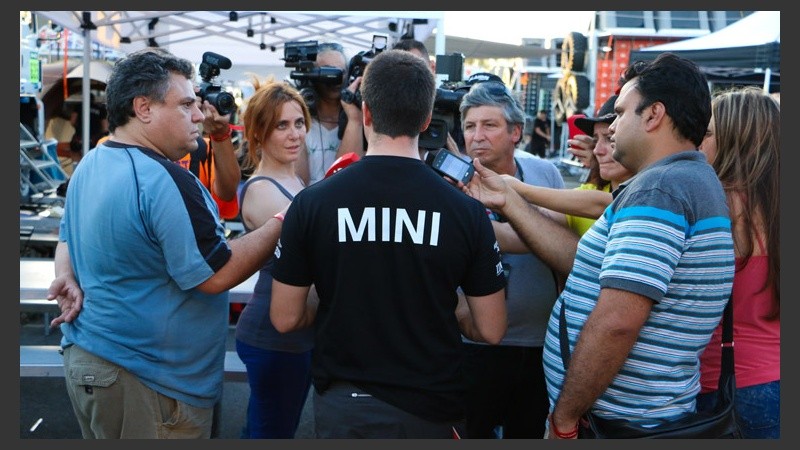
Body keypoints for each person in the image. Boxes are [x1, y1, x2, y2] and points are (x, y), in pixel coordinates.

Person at [464, 52, 735, 438]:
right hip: (633, 417)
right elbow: (581, 263)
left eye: (621, 113)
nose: (611, 129)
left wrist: (564, 418)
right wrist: (508, 200)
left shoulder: (661, 189)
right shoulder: (680, 180)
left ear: (654, 115)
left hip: (619, 424)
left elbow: (617, 323)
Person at [46, 47, 285, 439]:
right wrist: (283, 221)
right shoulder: (163, 179)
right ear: (143, 108)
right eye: (187, 104)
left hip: (95, 362)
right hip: (148, 379)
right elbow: (215, 274)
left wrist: (65, 274)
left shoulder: (92, 160)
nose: (198, 115)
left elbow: (66, 237)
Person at [269, 49, 508, 439]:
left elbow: (285, 318)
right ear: (428, 118)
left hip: (345, 406)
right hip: (431, 407)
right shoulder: (464, 212)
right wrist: (443, 296)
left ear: (366, 114)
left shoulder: (313, 203)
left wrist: (337, 284)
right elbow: (492, 328)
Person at [457, 79, 565, 439]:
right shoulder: (450, 181)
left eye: (490, 125)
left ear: (516, 131)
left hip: (535, 343)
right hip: (473, 344)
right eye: (470, 126)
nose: (477, 136)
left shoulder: (544, 174)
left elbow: (558, 241)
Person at [696, 86, 780, 439]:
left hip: (723, 385)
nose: (700, 142)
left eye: (710, 133)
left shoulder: (711, 204)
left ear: (734, 140)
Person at [233, 78, 315, 438]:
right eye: (281, 125)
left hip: (296, 335)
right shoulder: (261, 190)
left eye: (299, 123)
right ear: (258, 133)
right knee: (269, 432)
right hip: (273, 337)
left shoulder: (297, 182)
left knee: (274, 428)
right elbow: (313, 241)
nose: (294, 134)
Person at [503, 95, 633, 237]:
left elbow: (609, 204)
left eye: (610, 138)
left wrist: (517, 189)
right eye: (595, 141)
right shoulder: (585, 194)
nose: (597, 150)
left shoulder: (649, 193)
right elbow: (520, 232)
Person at [295, 42, 364, 185]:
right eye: (327, 71)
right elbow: (298, 181)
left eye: (341, 72)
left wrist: (354, 119)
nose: (335, 79)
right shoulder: (298, 120)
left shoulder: (361, 119)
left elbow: (346, 180)